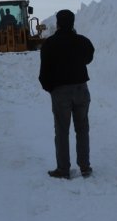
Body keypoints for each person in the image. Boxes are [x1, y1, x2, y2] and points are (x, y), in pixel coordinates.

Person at [38, 9, 95, 179]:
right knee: (82, 129)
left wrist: (51, 88)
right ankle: (85, 167)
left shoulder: (50, 43)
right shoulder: (82, 41)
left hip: (60, 92)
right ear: (73, 22)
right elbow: (88, 58)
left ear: (58, 23)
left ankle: (63, 169)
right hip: (81, 90)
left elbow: (44, 72)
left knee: (62, 131)